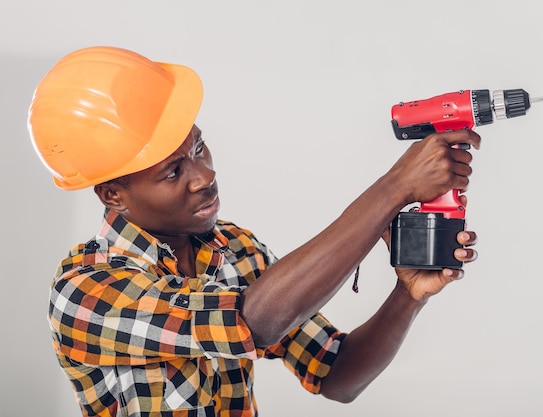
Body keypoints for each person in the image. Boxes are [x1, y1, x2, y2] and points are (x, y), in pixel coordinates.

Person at [28, 46, 480, 417]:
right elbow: (249, 323)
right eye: (172, 172)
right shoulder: (86, 288)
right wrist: (396, 187)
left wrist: (408, 295)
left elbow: (338, 376)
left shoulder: (236, 251)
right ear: (113, 195)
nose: (204, 175)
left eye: (199, 147)